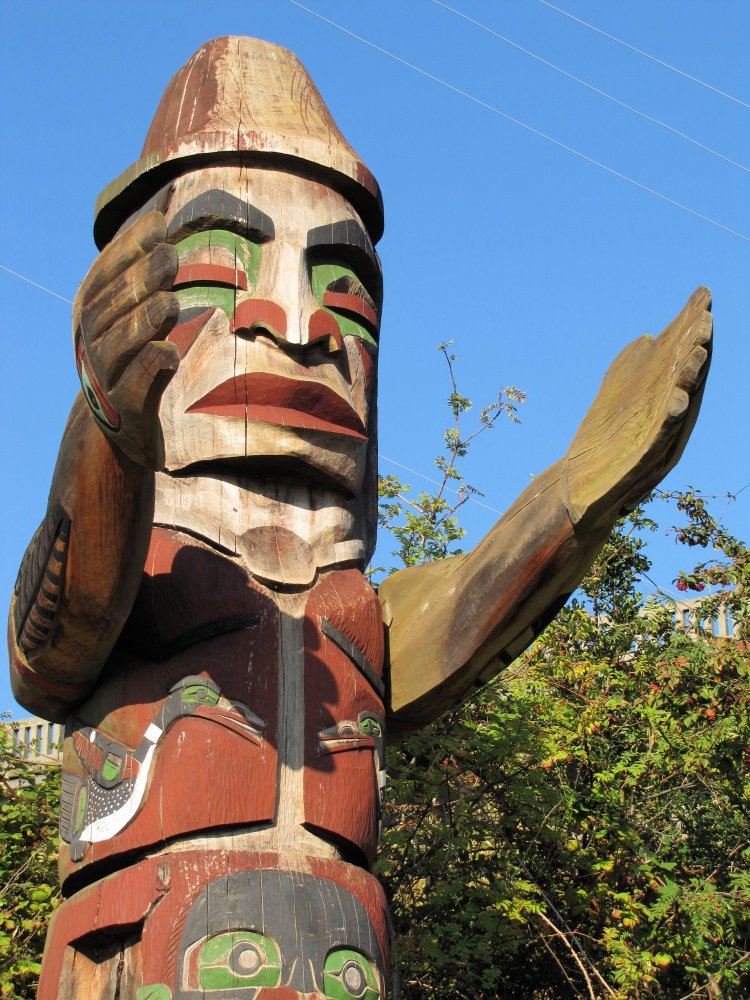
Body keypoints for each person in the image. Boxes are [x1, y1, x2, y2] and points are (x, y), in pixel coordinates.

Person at [9, 37, 711, 999]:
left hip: (347, 932)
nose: (300, 327)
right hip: (146, 930)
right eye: (221, 277)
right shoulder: (142, 559)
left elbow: (456, 612)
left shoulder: (353, 604)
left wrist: (579, 487)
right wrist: (103, 433)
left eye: (347, 297)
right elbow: (51, 642)